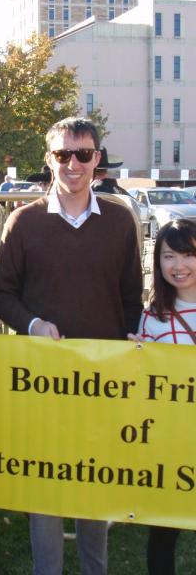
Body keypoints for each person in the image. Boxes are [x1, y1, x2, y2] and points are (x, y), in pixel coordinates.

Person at [0, 117, 143, 575]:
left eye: (83, 154)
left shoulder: (120, 219)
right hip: (41, 381)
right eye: (63, 154)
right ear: (48, 159)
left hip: (104, 381)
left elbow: (132, 295)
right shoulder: (23, 222)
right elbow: (1, 295)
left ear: (97, 159)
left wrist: (134, 336)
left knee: (96, 483)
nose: (73, 164)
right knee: (47, 489)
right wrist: (33, 323)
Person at [128, 219, 196, 575]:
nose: (178, 266)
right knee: (164, 532)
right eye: (169, 256)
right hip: (171, 445)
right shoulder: (152, 319)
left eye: (187, 254)